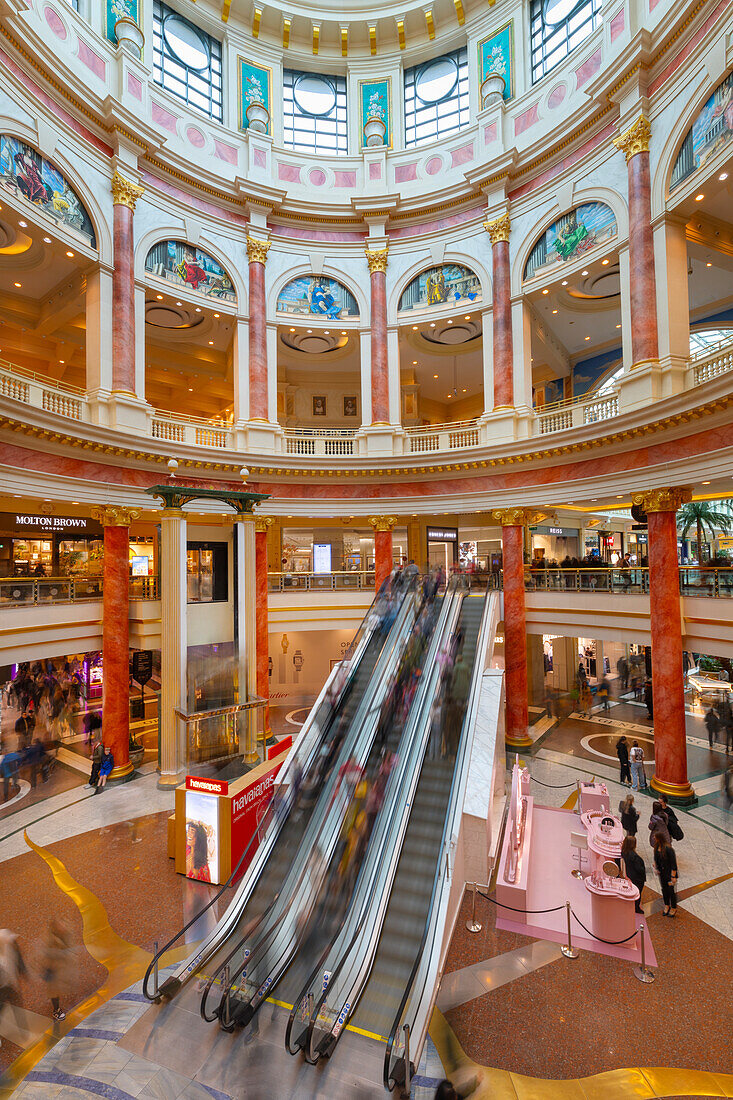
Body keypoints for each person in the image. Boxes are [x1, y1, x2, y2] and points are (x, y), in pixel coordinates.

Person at [41, 918, 70, 1020]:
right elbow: (47, 955)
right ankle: (56, 1011)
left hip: (58, 968)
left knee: (56, 989)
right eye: (61, 925)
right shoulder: (51, 940)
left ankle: (56, 1009)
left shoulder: (63, 935)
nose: (64, 927)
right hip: (52, 969)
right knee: (54, 991)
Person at [653, 832, 678, 916]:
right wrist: (656, 867)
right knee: (664, 890)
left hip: (669, 873)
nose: (653, 838)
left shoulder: (668, 849)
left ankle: (673, 907)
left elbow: (673, 863)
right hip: (662, 873)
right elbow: (656, 859)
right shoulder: (656, 847)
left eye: (655, 837)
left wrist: (673, 876)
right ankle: (667, 905)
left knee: (671, 891)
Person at [619, 835, 646, 913]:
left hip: (630, 875)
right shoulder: (635, 857)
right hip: (638, 878)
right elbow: (639, 869)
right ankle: (636, 908)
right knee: (638, 892)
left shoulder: (624, 852)